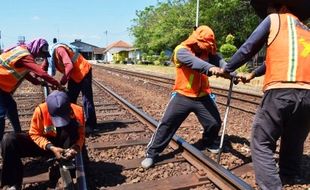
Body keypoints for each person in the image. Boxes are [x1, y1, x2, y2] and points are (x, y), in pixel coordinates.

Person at [218, 3, 310, 189]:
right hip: (308, 94)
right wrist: (252, 74)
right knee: (294, 138)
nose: (268, 12)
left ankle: (271, 186)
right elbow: (276, 58)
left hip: (280, 91)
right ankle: (289, 175)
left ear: (282, 7)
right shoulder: (306, 31)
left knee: (261, 141)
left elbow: (248, 47)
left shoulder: (274, 19)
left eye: (270, 7)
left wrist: (227, 68)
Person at [141, 25, 232, 169]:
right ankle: (151, 153)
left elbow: (220, 61)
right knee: (167, 125)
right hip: (182, 96)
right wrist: (211, 68)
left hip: (202, 96)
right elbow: (195, 63)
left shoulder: (207, 52)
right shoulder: (181, 50)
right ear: (195, 40)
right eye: (202, 45)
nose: (205, 48)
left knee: (214, 123)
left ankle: (208, 142)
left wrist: (231, 72)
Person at [1, 90, 85, 190]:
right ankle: (13, 184)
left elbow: (81, 135)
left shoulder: (78, 111)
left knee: (72, 128)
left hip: (64, 143)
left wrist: (76, 147)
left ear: (69, 107)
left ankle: (67, 159)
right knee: (8, 140)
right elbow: (34, 134)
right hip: (45, 144)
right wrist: (51, 147)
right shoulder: (40, 110)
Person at [0, 38, 61, 141]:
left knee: (11, 106)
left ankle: (18, 134)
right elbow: (40, 73)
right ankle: (2, 144)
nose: (40, 57)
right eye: (41, 54)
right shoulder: (26, 56)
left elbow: (25, 74)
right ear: (37, 48)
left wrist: (37, 82)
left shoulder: (22, 50)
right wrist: (57, 84)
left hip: (2, 87)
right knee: (1, 115)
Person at [42, 42, 97, 133]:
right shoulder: (49, 56)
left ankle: (91, 125)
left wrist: (62, 82)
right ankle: (72, 122)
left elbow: (69, 65)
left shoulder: (59, 50)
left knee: (86, 99)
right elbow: (43, 67)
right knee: (70, 99)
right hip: (73, 75)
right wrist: (36, 76)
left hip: (83, 70)